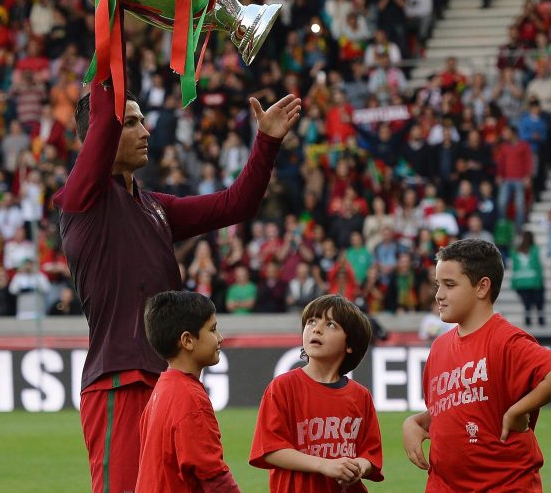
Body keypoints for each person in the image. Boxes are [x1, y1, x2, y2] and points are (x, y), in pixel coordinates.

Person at [53, 59, 300, 492]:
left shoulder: (154, 207)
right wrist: (111, 11)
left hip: (169, 381)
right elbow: (104, 112)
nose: (146, 131)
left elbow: (235, 205)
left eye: (144, 121)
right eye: (131, 123)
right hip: (119, 382)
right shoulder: (83, 199)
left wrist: (266, 143)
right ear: (99, 134)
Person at [402, 239, 551, 491]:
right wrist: (415, 423)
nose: (439, 294)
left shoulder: (506, 340)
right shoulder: (439, 348)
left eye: (450, 285)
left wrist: (516, 411)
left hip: (503, 484)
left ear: (482, 287)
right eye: (438, 284)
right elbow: (456, 408)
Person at [249, 294, 384, 492]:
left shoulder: (361, 396)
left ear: (349, 344)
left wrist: (358, 468)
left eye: (331, 325)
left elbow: (370, 455)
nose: (316, 328)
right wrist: (324, 465)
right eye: (311, 321)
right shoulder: (283, 387)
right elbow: (270, 450)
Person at [136, 291, 240, 492]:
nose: (221, 338)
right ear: (187, 341)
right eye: (213, 329)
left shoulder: (161, 389)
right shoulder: (191, 398)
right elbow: (213, 476)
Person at [511, 231, 546, 326]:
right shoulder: (535, 250)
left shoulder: (515, 250)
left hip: (521, 282)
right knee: (539, 307)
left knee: (527, 307)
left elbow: (514, 268)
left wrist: (513, 284)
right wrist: (540, 283)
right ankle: (542, 325)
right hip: (534, 281)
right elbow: (538, 267)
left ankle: (528, 327)